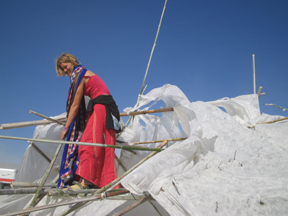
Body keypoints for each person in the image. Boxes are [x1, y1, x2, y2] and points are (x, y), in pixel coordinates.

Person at [56, 53, 121, 189]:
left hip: (102, 106)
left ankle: (87, 182)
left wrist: (66, 127)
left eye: (66, 66)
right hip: (101, 106)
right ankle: (97, 180)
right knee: (92, 143)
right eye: (63, 69)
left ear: (72, 62)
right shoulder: (80, 73)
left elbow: (75, 104)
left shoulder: (80, 74)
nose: (66, 70)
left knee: (88, 143)